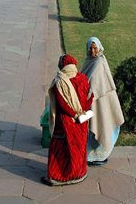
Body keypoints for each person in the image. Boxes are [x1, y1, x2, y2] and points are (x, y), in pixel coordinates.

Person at [42, 54, 93, 186]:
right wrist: (82, 113)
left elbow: (62, 103)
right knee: (78, 148)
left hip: (65, 122)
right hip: (81, 121)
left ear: (62, 65)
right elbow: (90, 97)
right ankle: (78, 173)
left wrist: (74, 115)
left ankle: (57, 177)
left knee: (60, 149)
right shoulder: (82, 78)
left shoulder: (61, 81)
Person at [80, 37, 124, 166]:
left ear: (99, 48)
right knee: (92, 128)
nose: (93, 51)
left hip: (100, 100)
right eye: (90, 48)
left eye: (95, 48)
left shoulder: (99, 63)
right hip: (92, 101)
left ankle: (99, 157)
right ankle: (91, 156)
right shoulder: (89, 60)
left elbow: (94, 83)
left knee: (101, 124)